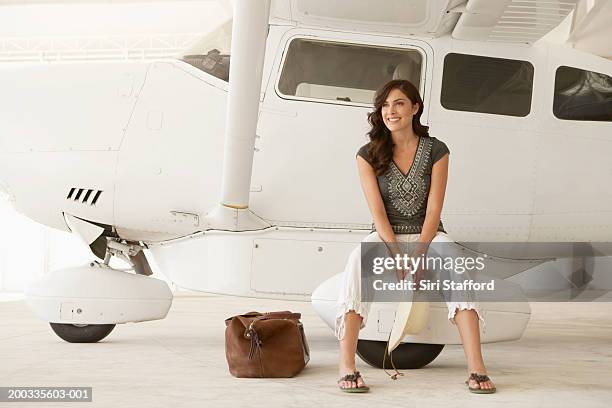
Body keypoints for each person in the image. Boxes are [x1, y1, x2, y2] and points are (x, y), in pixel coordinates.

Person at [336, 79, 496, 394]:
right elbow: (378, 214)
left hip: (429, 235)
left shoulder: (437, 149)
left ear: (415, 108)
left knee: (456, 265)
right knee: (357, 260)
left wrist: (420, 254)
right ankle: (347, 366)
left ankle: (476, 367)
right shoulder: (367, 153)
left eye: (398, 103)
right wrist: (397, 254)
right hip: (386, 236)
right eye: (384, 105)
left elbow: (434, 210)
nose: (390, 111)